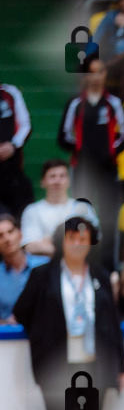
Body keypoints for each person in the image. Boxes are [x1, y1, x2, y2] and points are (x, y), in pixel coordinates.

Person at [13, 200, 124, 410]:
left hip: (90, 365)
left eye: (83, 238)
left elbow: (113, 325)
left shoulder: (101, 277)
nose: (77, 243)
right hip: (57, 365)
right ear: (61, 241)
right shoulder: (43, 276)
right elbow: (22, 311)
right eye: (71, 238)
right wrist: (43, 338)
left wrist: (122, 366)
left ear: (90, 242)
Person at [58, 57, 124, 271]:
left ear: (105, 74)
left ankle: (108, 270)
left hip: (108, 170)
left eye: (100, 71)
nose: (95, 76)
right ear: (85, 76)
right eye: (91, 72)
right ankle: (80, 265)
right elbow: (63, 137)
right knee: (80, 218)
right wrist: (82, 151)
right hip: (82, 171)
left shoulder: (114, 103)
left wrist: (108, 154)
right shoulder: (75, 103)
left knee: (109, 220)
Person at [21, 160, 77, 258]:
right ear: (43, 182)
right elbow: (31, 246)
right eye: (52, 176)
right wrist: (70, 248)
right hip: (43, 268)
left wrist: (48, 240)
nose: (57, 181)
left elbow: (93, 242)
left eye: (62, 176)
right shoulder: (32, 211)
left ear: (69, 181)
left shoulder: (82, 208)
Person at [0, 214, 49, 323]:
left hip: (45, 333)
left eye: (10, 232)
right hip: (8, 336)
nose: (7, 239)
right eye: (0, 235)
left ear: (20, 234)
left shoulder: (45, 265)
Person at [0, 80, 34, 218]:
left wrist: (12, 146)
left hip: (13, 173)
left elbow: (25, 125)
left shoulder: (10, 93)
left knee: (21, 218)